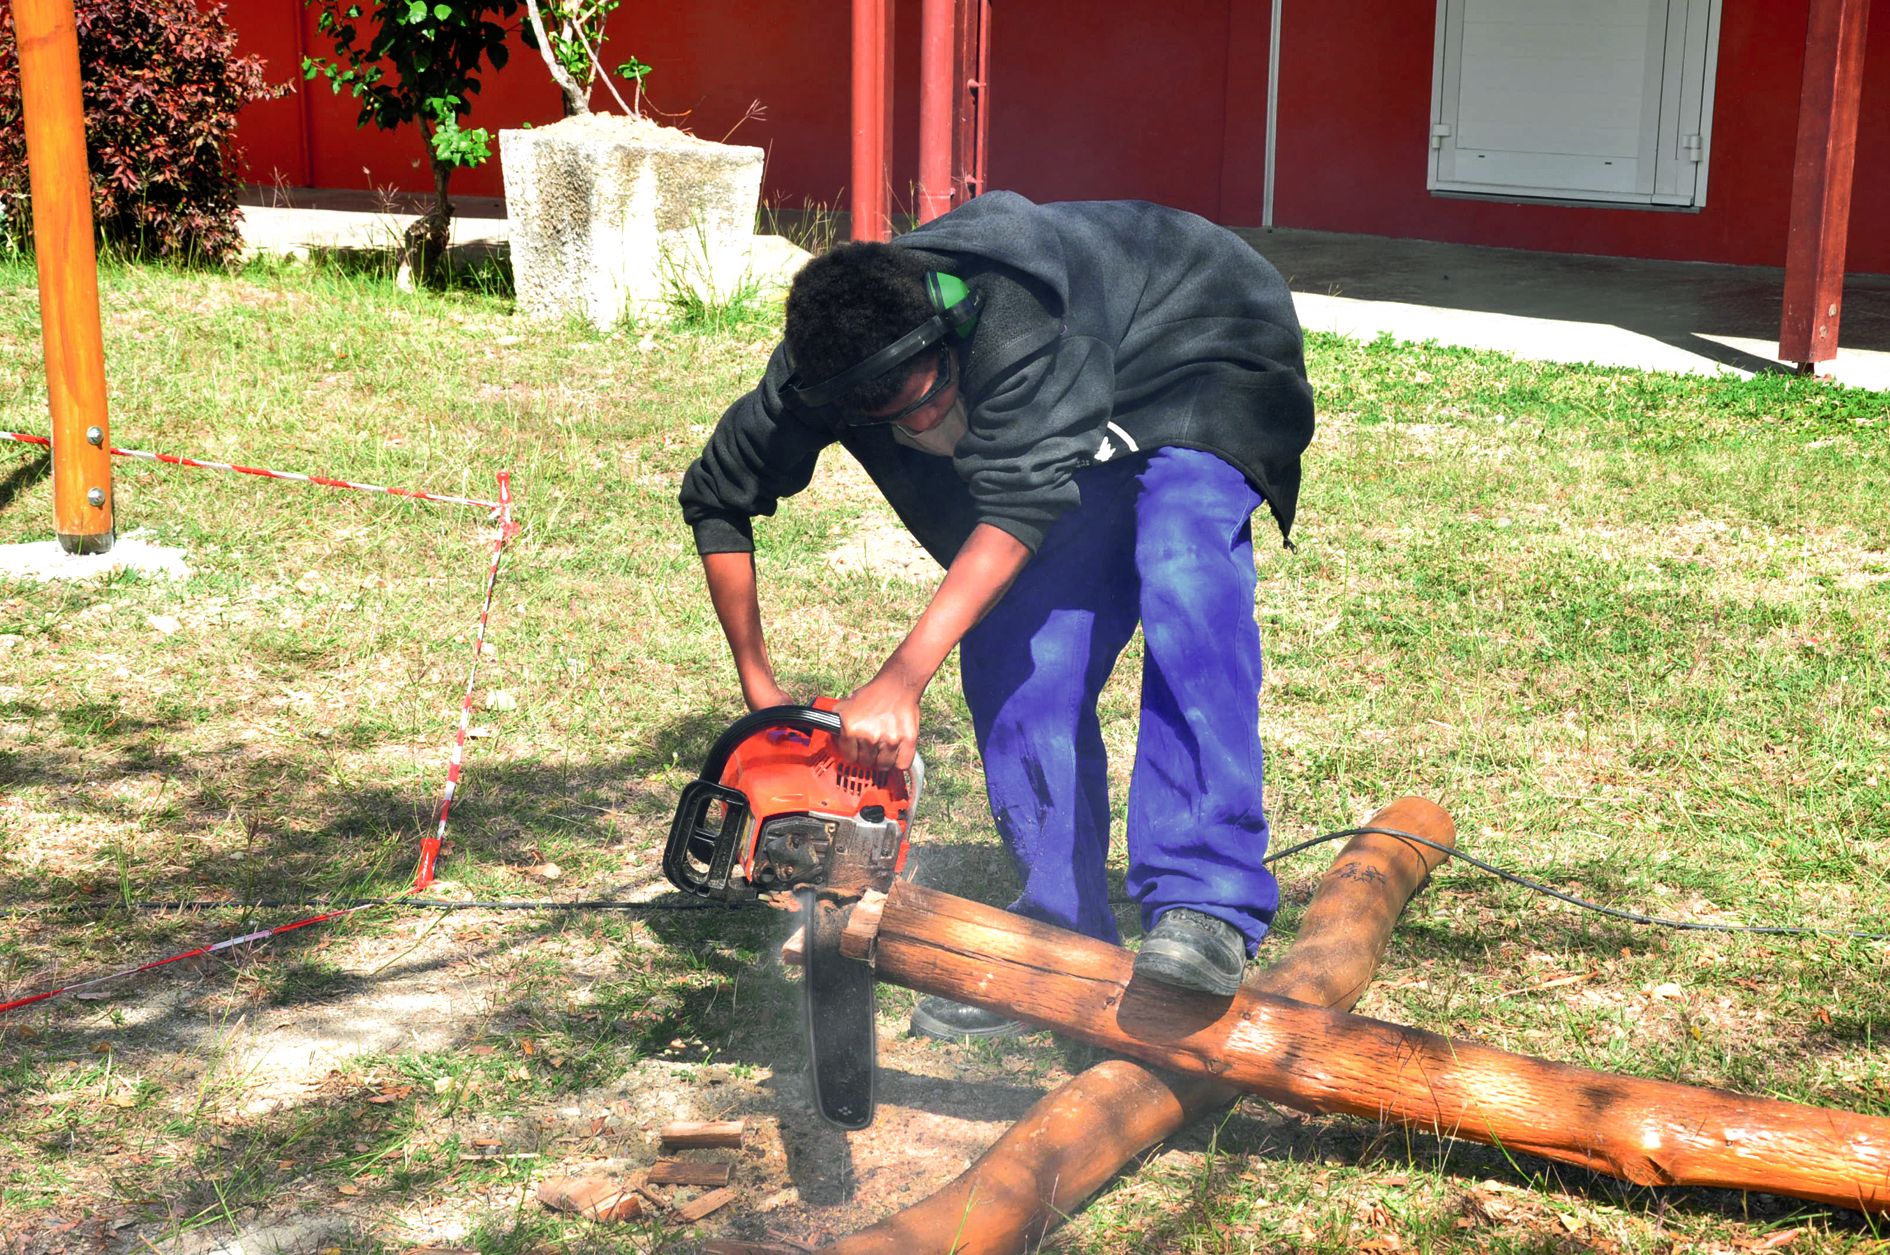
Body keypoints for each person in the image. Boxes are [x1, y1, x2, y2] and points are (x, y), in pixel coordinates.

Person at [679, 191, 1315, 1041]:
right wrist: (760, 692)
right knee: (1021, 647)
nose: (920, 422)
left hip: (1200, 339)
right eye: (891, 416)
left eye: (928, 395)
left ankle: (1205, 905)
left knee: (1183, 564)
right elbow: (718, 496)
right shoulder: (818, 370)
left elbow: (1017, 505)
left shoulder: (1012, 314)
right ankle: (1060, 933)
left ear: (946, 336)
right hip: (1069, 414)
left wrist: (902, 678)